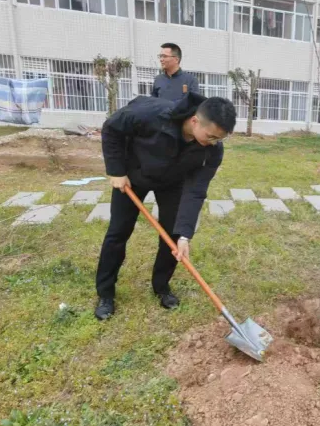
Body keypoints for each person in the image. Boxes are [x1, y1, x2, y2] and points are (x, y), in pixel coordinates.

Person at [94, 91, 236, 320]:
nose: (213, 143)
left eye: (218, 139)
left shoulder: (212, 150)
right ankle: (105, 294)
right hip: (132, 177)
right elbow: (111, 128)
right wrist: (116, 170)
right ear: (194, 121)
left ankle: (161, 287)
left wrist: (185, 235)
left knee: (172, 235)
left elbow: (196, 190)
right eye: (211, 136)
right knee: (118, 232)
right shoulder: (151, 114)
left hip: (172, 183)